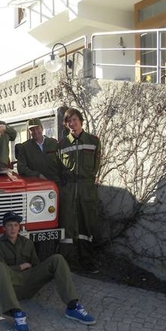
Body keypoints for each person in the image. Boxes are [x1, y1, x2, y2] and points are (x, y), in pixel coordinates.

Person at [0, 211, 96, 331]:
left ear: (19, 227)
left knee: (57, 259)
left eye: (15, 225)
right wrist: (21, 266)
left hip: (29, 281)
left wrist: (32, 269)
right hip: (11, 285)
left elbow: (36, 265)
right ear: (4, 228)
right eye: (9, 225)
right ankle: (17, 314)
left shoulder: (27, 243)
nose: (13, 228)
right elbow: (0, 271)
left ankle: (72, 306)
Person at [58, 108, 101, 273]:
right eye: (69, 121)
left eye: (75, 120)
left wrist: (88, 181)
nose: (72, 123)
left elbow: (96, 165)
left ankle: (87, 261)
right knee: (67, 226)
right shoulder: (62, 144)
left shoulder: (93, 141)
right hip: (68, 188)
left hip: (86, 188)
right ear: (66, 124)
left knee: (86, 226)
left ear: (80, 121)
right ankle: (68, 262)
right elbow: (58, 166)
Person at [16, 118, 62, 183]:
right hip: (37, 186)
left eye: (37, 128)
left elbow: (62, 163)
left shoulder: (53, 143)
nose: (35, 131)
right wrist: (37, 175)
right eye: (32, 129)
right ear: (29, 132)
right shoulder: (25, 147)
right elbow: (21, 169)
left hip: (56, 183)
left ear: (42, 128)